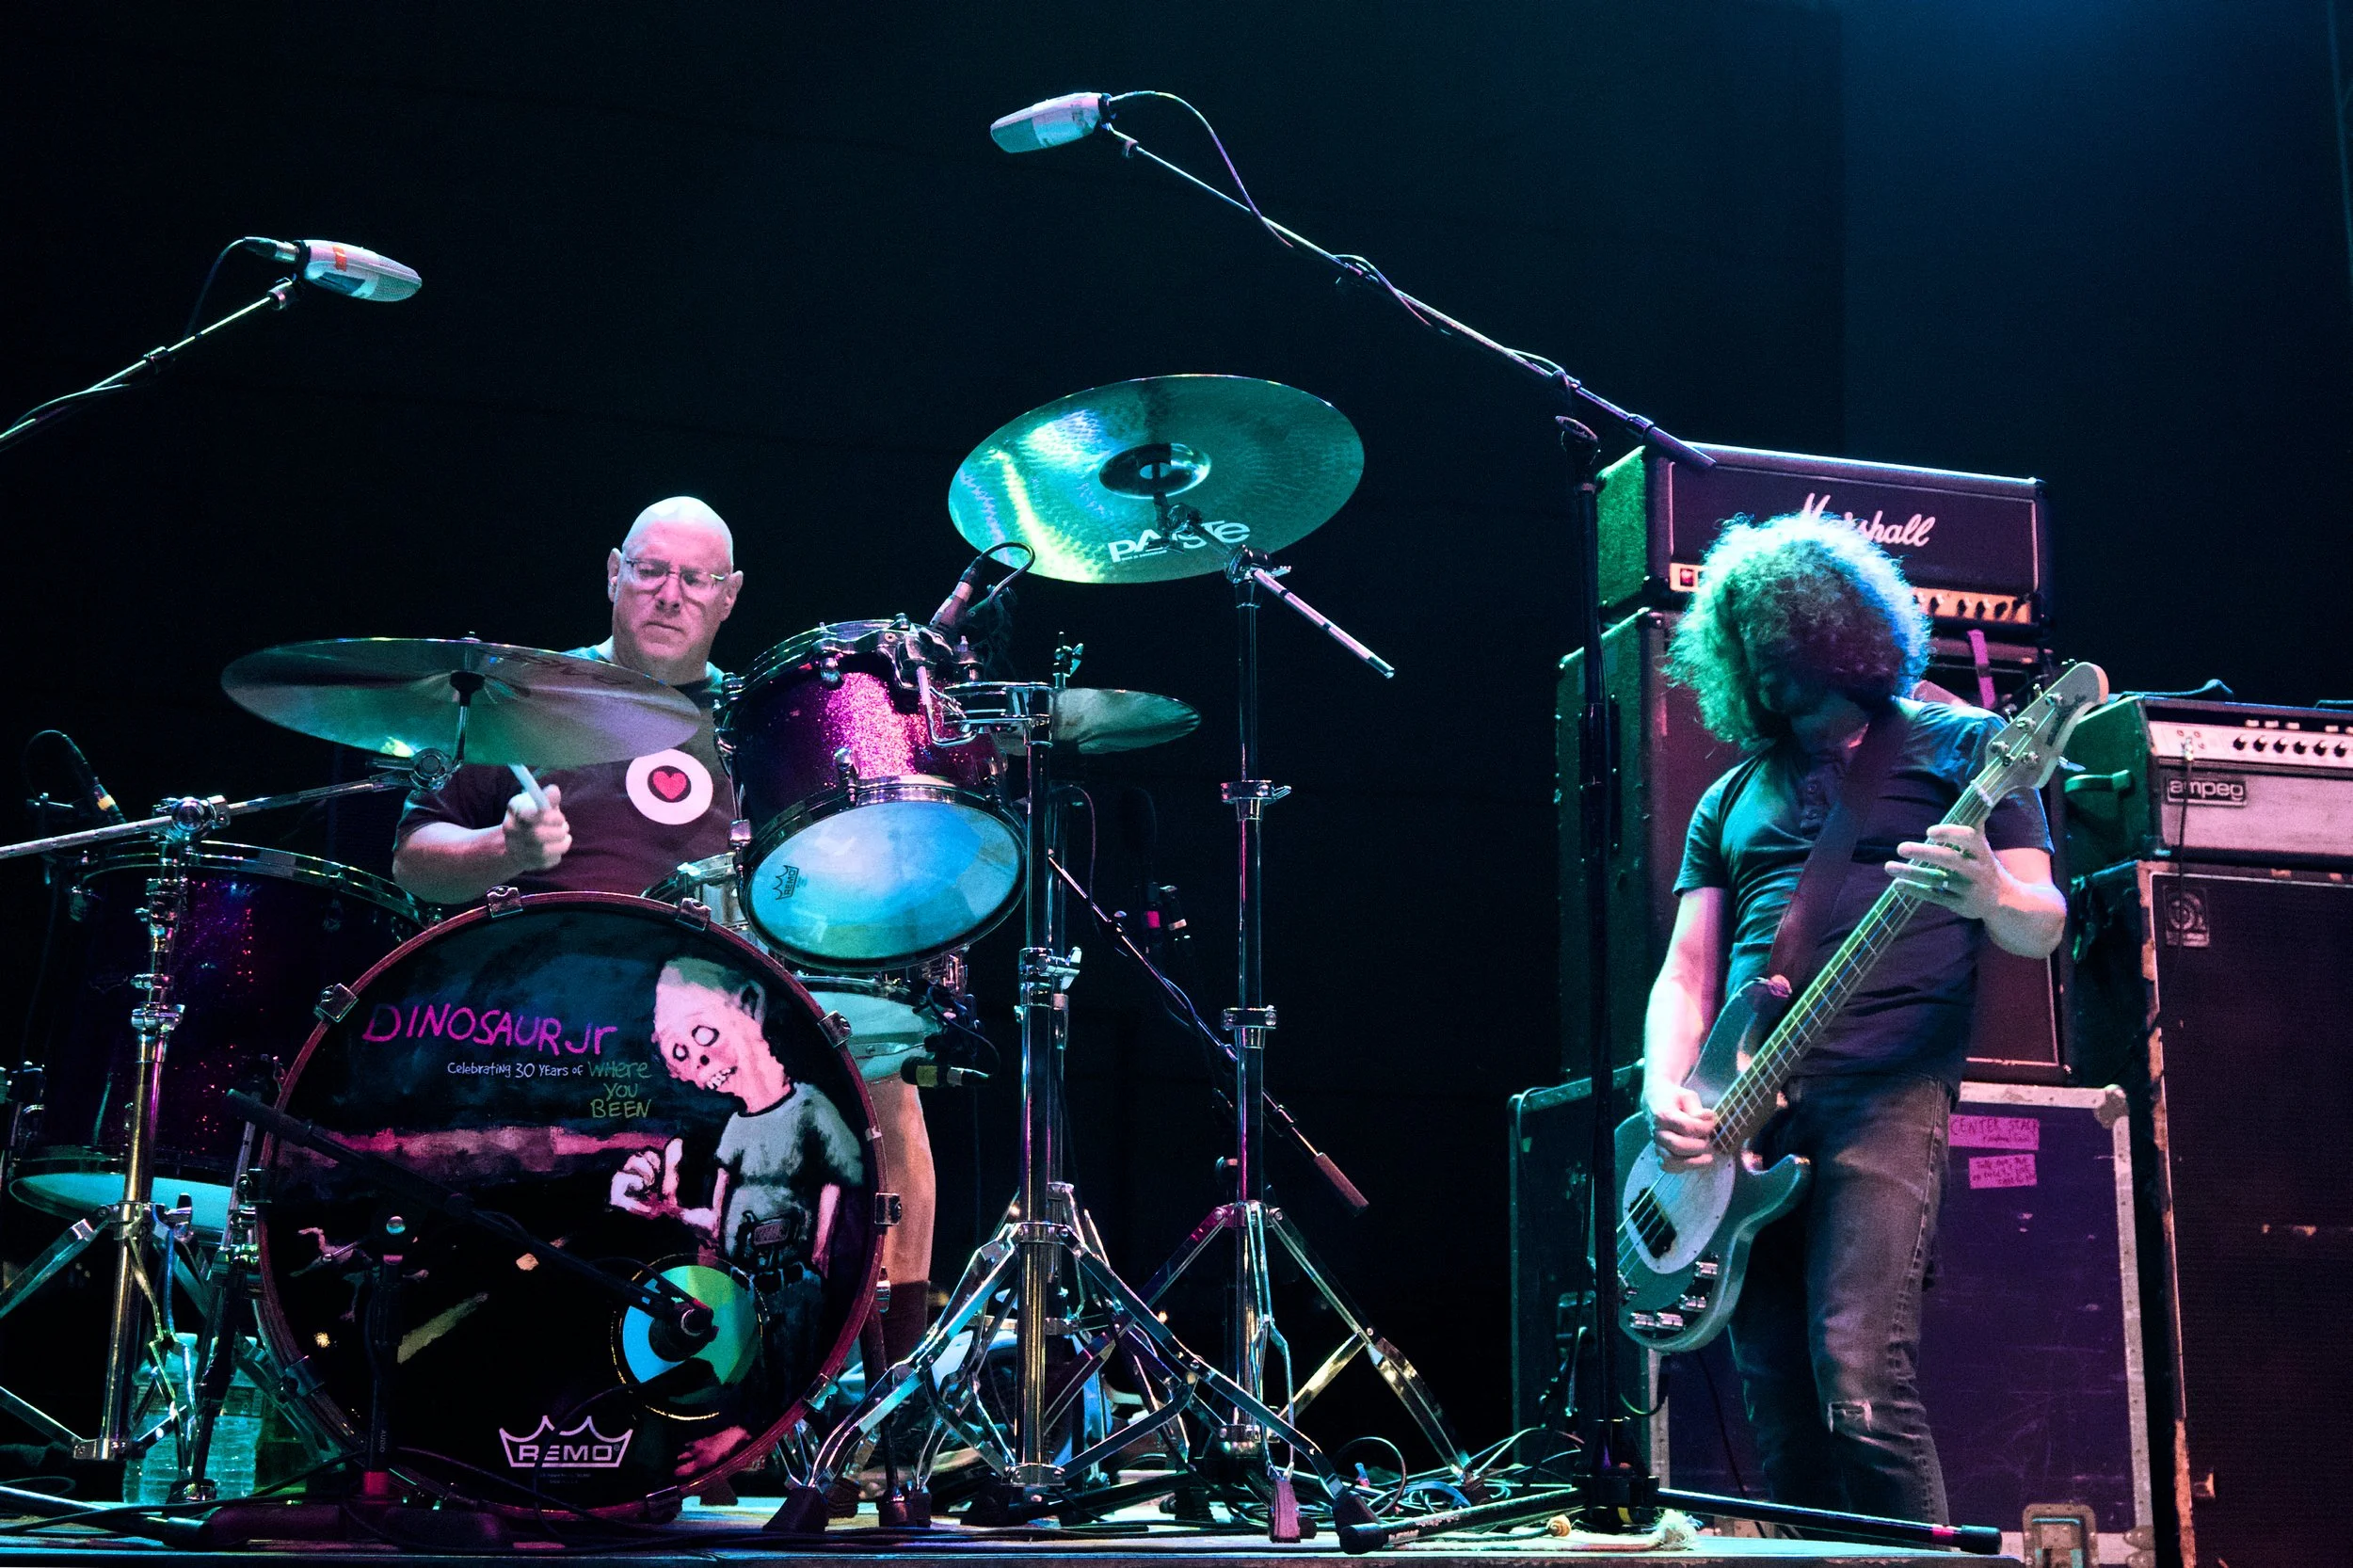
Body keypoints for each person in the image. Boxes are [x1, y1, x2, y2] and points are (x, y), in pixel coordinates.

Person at [391, 496, 938, 1370]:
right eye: (650, 571)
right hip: (564, 1015)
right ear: (614, 573)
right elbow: (414, 856)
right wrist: (505, 845)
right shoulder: (525, 695)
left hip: (732, 1011)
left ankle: (885, 1397)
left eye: (696, 578)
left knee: (886, 1068)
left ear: (730, 595)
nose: (670, 594)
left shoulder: (765, 725)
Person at [1640, 510, 2067, 1525]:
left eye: (1788, 647)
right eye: (1755, 653)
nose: (1771, 673)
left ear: (1843, 636)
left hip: (1883, 1089)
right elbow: (1684, 974)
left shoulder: (1972, 749)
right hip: (1739, 1115)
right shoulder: (1730, 797)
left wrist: (1986, 896)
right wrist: (1665, 1090)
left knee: (1860, 1380)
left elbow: (2040, 921)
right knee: (1780, 1407)